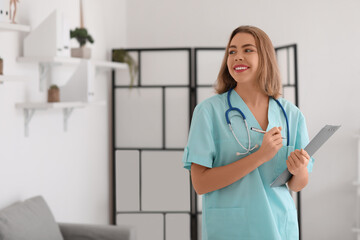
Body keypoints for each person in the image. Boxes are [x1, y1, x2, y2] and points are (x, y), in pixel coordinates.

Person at [182, 25, 314, 240]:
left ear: (265, 58)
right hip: (231, 230)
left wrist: (299, 169)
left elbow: (297, 184)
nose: (237, 57)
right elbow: (200, 184)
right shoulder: (208, 112)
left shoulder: (291, 114)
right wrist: (260, 156)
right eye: (232, 52)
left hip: (279, 227)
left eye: (248, 50)